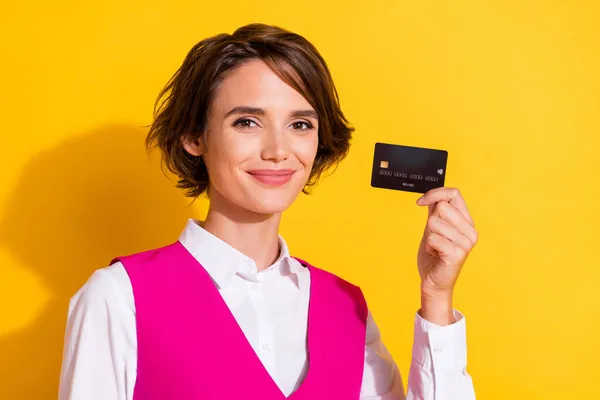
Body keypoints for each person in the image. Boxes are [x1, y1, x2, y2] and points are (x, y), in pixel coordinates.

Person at [58, 23, 478, 399]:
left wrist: (436, 298)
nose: (279, 151)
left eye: (300, 125)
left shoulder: (345, 307)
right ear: (193, 136)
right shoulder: (119, 297)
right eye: (247, 122)